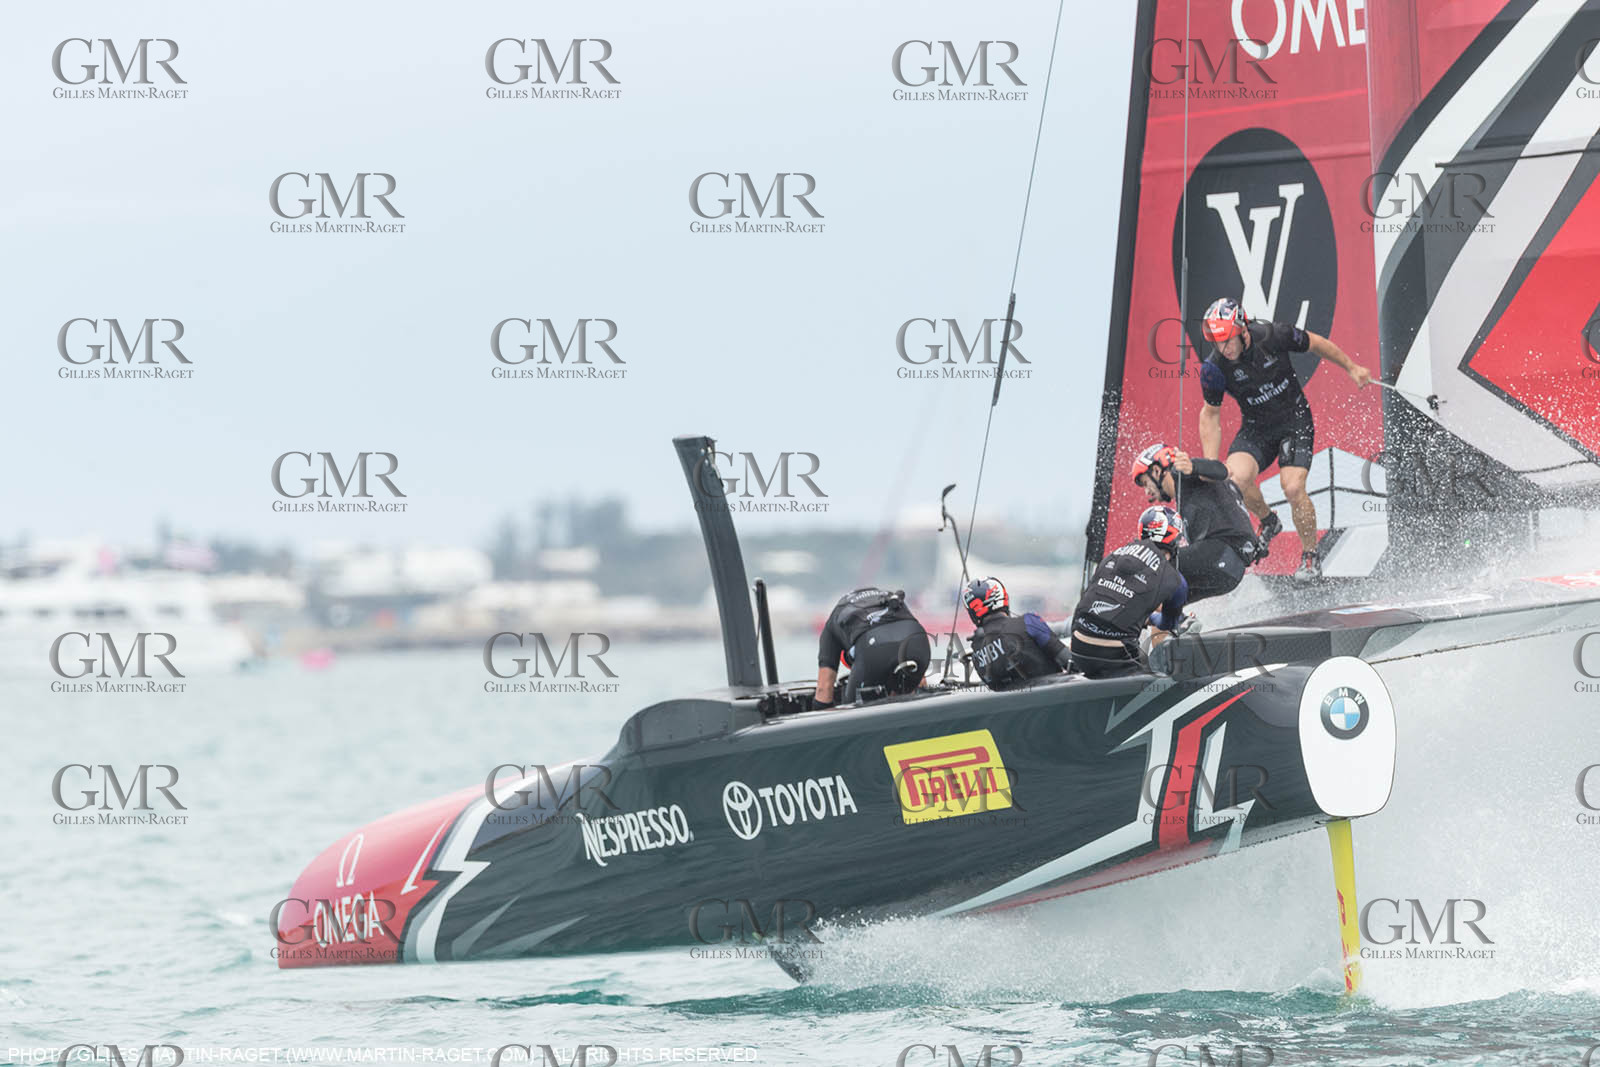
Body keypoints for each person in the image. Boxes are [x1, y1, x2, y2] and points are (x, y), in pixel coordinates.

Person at [1197, 297, 1372, 582]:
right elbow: (1210, 415)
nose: (1224, 349)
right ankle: (1269, 521)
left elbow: (1315, 343)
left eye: (1228, 340)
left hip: (1294, 421)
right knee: (1233, 480)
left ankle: (1310, 557)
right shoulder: (1214, 369)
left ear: (1243, 329)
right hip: (1257, 428)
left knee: (1292, 488)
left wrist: (1352, 368)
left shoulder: (1273, 335)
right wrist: (1209, 463)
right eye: (1217, 343)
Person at [1070, 506, 1189, 679]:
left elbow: (1112, 606)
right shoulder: (1176, 581)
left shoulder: (1112, 556)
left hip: (1078, 650)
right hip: (1114, 659)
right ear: (1174, 540)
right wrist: (1180, 620)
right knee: (1163, 671)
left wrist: (1147, 618)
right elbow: (1167, 626)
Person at [1131, 442, 1258, 603]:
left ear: (1156, 471)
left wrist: (1193, 466)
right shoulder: (1187, 494)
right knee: (1164, 600)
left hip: (1221, 555)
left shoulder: (1183, 474)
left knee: (1152, 568)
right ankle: (1172, 625)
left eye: (1145, 483)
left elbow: (1224, 471)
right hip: (1231, 574)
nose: (1147, 492)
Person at [813, 587, 930, 707]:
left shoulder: (832, 623)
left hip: (873, 647)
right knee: (912, 688)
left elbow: (824, 690)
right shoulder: (888, 596)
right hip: (917, 640)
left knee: (851, 709)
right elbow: (920, 680)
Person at [963, 576, 1072, 690]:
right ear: (1002, 597)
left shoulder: (976, 649)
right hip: (1056, 698)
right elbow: (1070, 662)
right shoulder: (1029, 621)